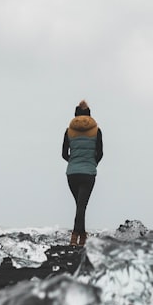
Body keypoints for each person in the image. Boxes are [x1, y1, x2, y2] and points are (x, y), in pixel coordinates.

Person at [62, 99, 103, 246]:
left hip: (72, 174)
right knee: (81, 206)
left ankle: (83, 236)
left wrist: (74, 163)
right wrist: (92, 164)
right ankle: (75, 237)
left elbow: (64, 154)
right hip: (88, 174)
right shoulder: (97, 131)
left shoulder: (68, 131)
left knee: (80, 206)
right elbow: (100, 153)